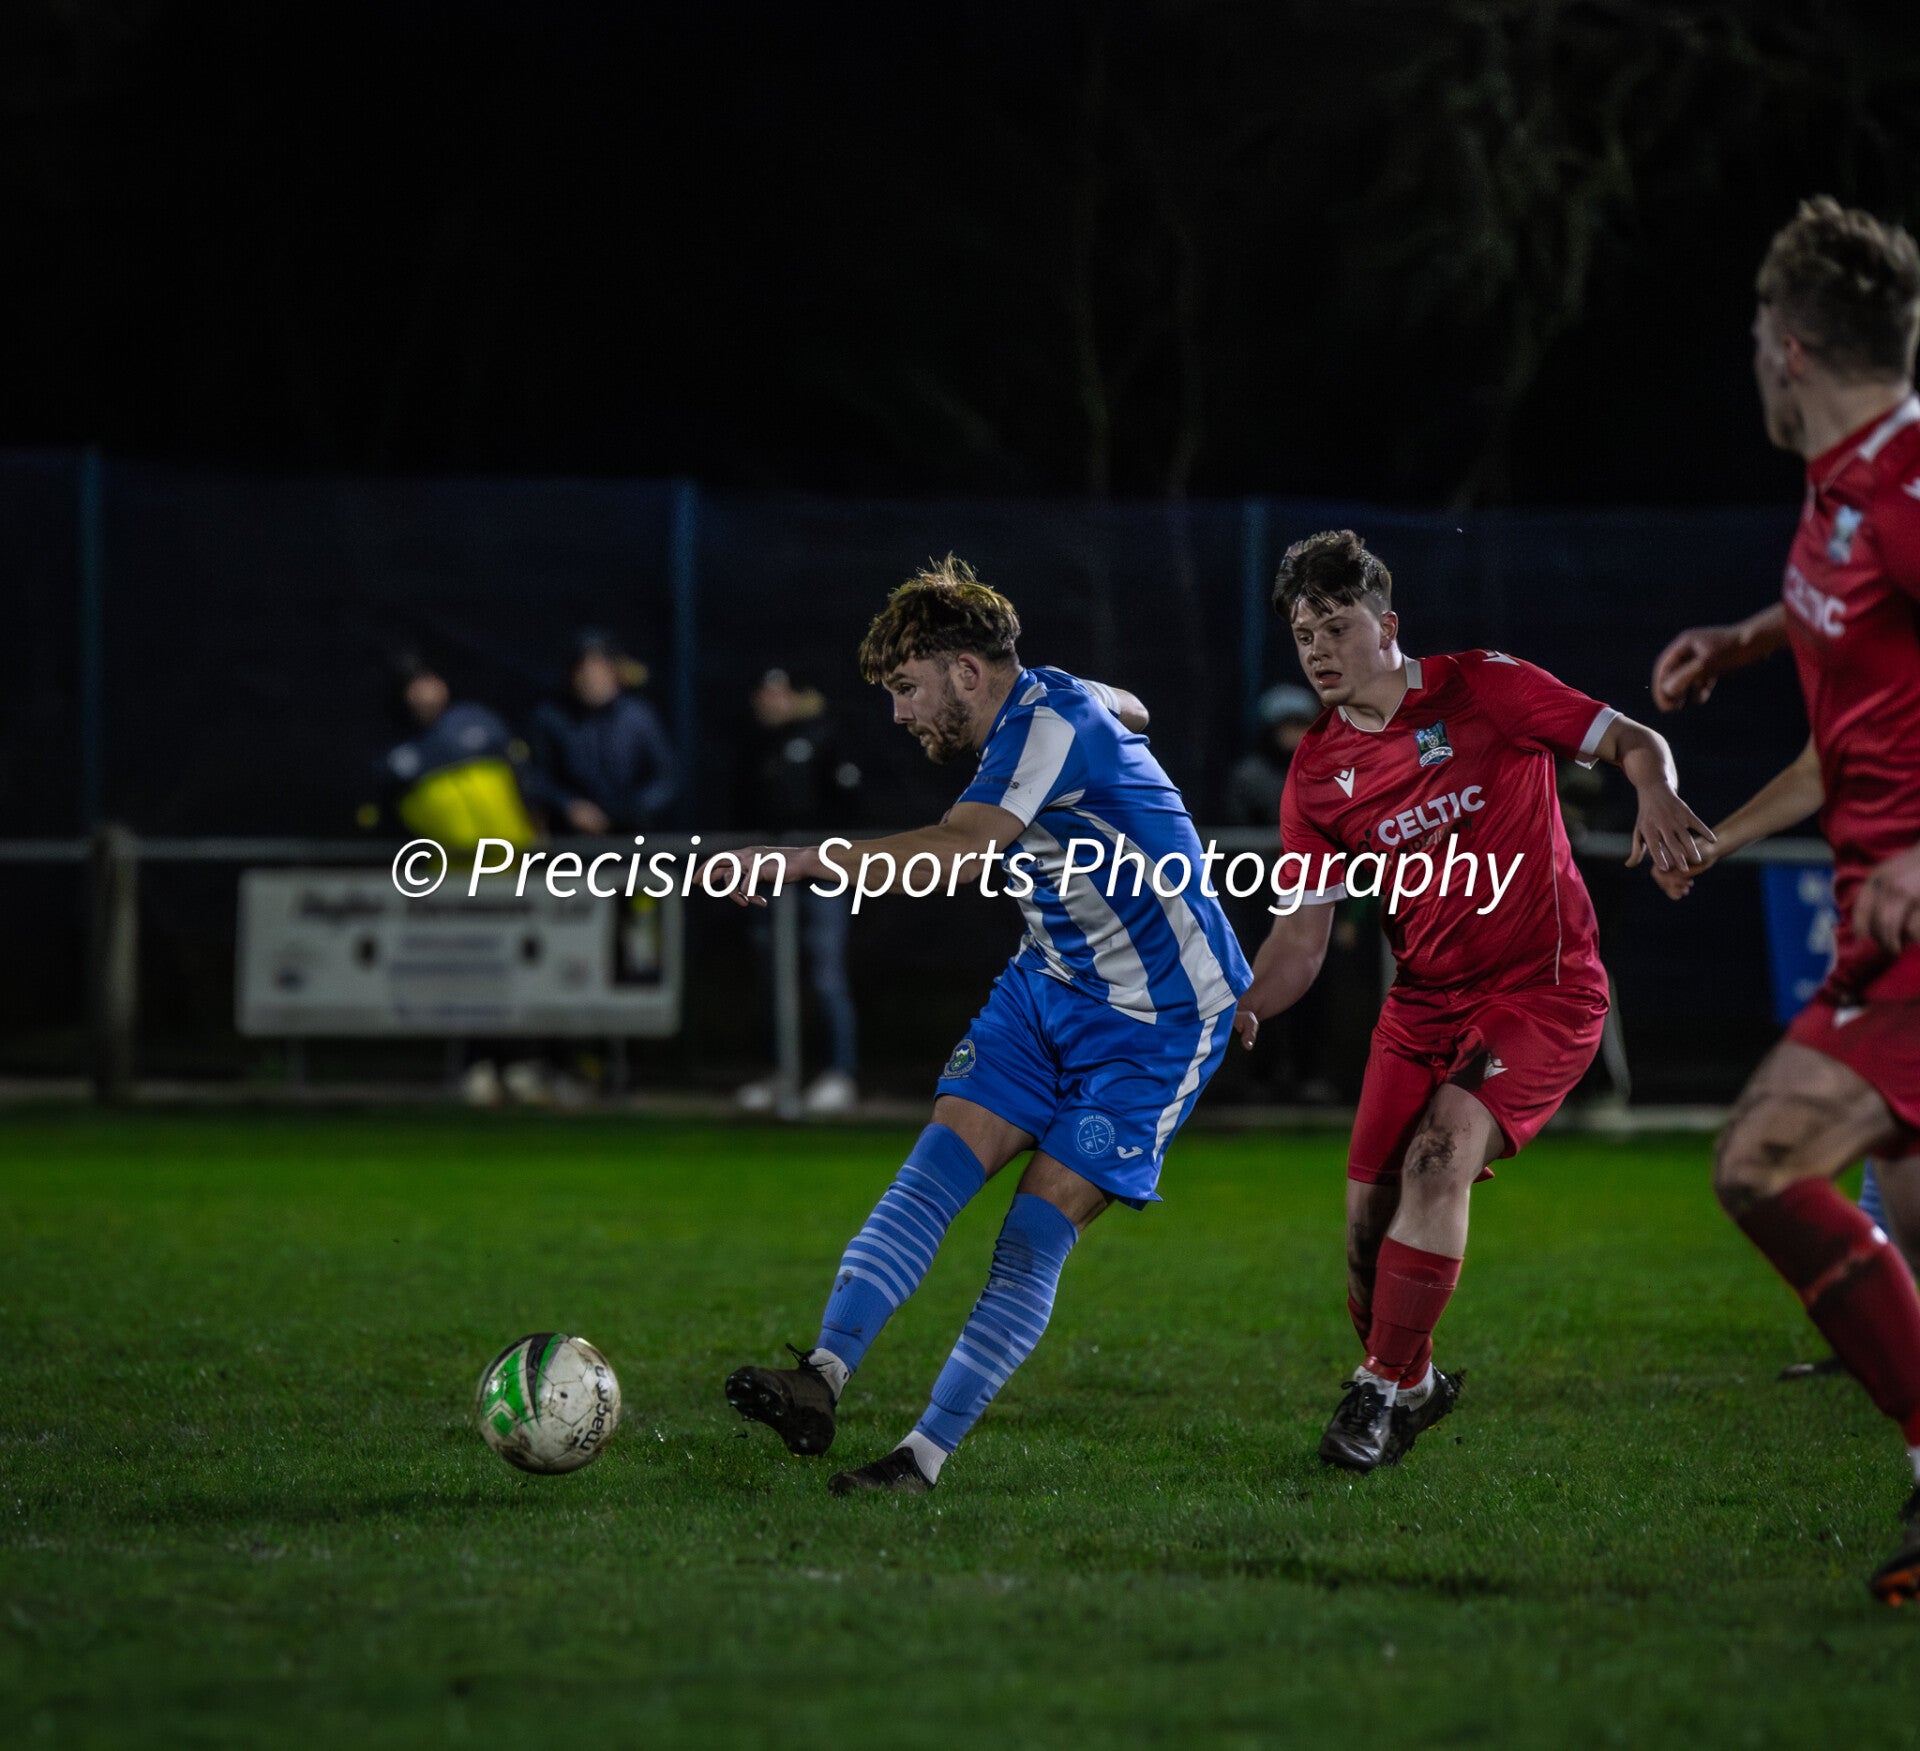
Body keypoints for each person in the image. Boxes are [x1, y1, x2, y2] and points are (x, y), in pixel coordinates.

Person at [720, 556, 1252, 1495]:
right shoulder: (1056, 706)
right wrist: (1113, 703)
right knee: (930, 1175)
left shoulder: (1044, 720)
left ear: (968, 671)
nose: (899, 712)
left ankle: (921, 1458)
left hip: (1156, 1027)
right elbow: (1132, 708)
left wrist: (800, 862)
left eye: (906, 687)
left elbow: (961, 849)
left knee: (1030, 1238)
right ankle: (821, 1375)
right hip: (1045, 987)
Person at [1235, 530, 1709, 1475]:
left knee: (1439, 1153)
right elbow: (1301, 937)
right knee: (1366, 1239)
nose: (1320, 649)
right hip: (1422, 1006)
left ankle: (1373, 1391)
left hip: (1543, 988)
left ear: (1388, 625)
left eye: (1337, 624)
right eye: (1302, 634)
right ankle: (1411, 1383)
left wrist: (1655, 791)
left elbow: (1631, 738)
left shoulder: (1484, 686)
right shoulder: (1317, 775)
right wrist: (1242, 1006)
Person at [1645, 196, 1920, 1604]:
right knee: (1909, 1232)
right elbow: (1848, 740)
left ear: (1797, 347)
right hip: (1882, 919)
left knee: (1763, 1160)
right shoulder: (1835, 492)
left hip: (1914, 933)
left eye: (1759, 330)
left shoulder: (1908, 483)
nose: (1751, 354)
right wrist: (1745, 646)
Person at [734, 668, 864, 1115]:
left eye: (778, 692)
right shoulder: (754, 746)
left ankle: (838, 1073)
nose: (769, 700)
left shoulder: (824, 736)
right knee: (772, 977)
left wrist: (829, 858)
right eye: (763, 692)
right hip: (768, 880)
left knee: (825, 974)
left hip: (821, 878)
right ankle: (780, 1072)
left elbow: (850, 805)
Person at [368, 653, 536, 853]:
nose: (425, 695)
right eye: (414, 687)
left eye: (428, 682)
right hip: (448, 871)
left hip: (515, 857)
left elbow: (525, 776)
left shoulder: (480, 719)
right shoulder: (393, 752)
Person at [522, 630, 678, 834]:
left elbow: (666, 779)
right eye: (583, 670)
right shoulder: (549, 718)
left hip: (632, 842)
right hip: (570, 846)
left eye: (599, 669)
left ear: (615, 672)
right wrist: (569, 805)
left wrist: (628, 810)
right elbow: (535, 777)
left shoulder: (639, 716)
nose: (591, 678)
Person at [1225, 684, 1321, 827]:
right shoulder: (1250, 777)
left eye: (1301, 724)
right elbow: (1237, 833)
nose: (1294, 733)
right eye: (1288, 725)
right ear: (1272, 730)